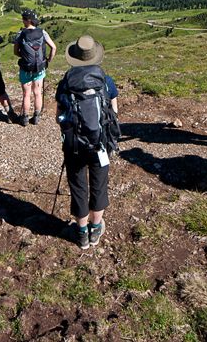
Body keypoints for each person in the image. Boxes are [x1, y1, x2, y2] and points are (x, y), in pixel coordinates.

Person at [56, 34, 119, 250]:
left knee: (78, 186)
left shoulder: (65, 83)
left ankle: (82, 233)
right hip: (100, 144)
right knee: (99, 185)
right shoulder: (106, 81)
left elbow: (60, 117)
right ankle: (96, 228)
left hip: (74, 145)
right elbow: (114, 112)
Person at [13, 9, 57, 127]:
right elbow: (53, 47)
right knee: (37, 92)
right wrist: (48, 60)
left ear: (27, 20)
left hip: (26, 67)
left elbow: (15, 51)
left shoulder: (20, 34)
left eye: (23, 19)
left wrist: (23, 56)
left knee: (26, 94)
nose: (22, 20)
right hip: (40, 67)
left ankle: (25, 119)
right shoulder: (42, 32)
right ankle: (36, 117)